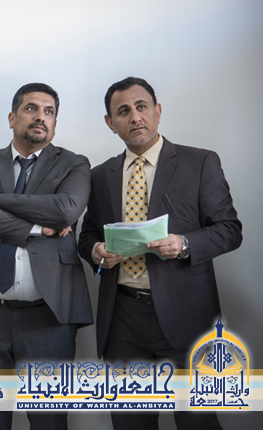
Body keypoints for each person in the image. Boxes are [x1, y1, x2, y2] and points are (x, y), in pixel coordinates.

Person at [78, 76, 242, 430]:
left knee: (197, 422)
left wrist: (184, 244)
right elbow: (87, 233)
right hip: (121, 318)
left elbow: (229, 230)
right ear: (110, 122)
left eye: (141, 107)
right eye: (123, 111)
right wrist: (95, 250)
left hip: (186, 316)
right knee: (130, 423)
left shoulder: (199, 162)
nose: (135, 117)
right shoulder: (99, 175)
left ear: (158, 111)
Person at [0, 83, 93, 430]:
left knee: (49, 421)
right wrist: (36, 228)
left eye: (49, 112)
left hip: (49, 316)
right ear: (12, 117)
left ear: (55, 123)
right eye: (31, 109)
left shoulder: (74, 164)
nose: (41, 117)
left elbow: (65, 210)